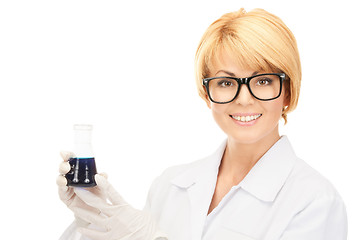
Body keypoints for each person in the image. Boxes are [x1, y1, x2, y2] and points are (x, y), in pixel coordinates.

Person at [57, 8, 347, 240]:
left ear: (288, 91)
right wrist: (93, 218)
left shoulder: (315, 202)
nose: (244, 99)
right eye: (225, 82)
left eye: (262, 80)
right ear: (206, 94)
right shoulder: (170, 185)